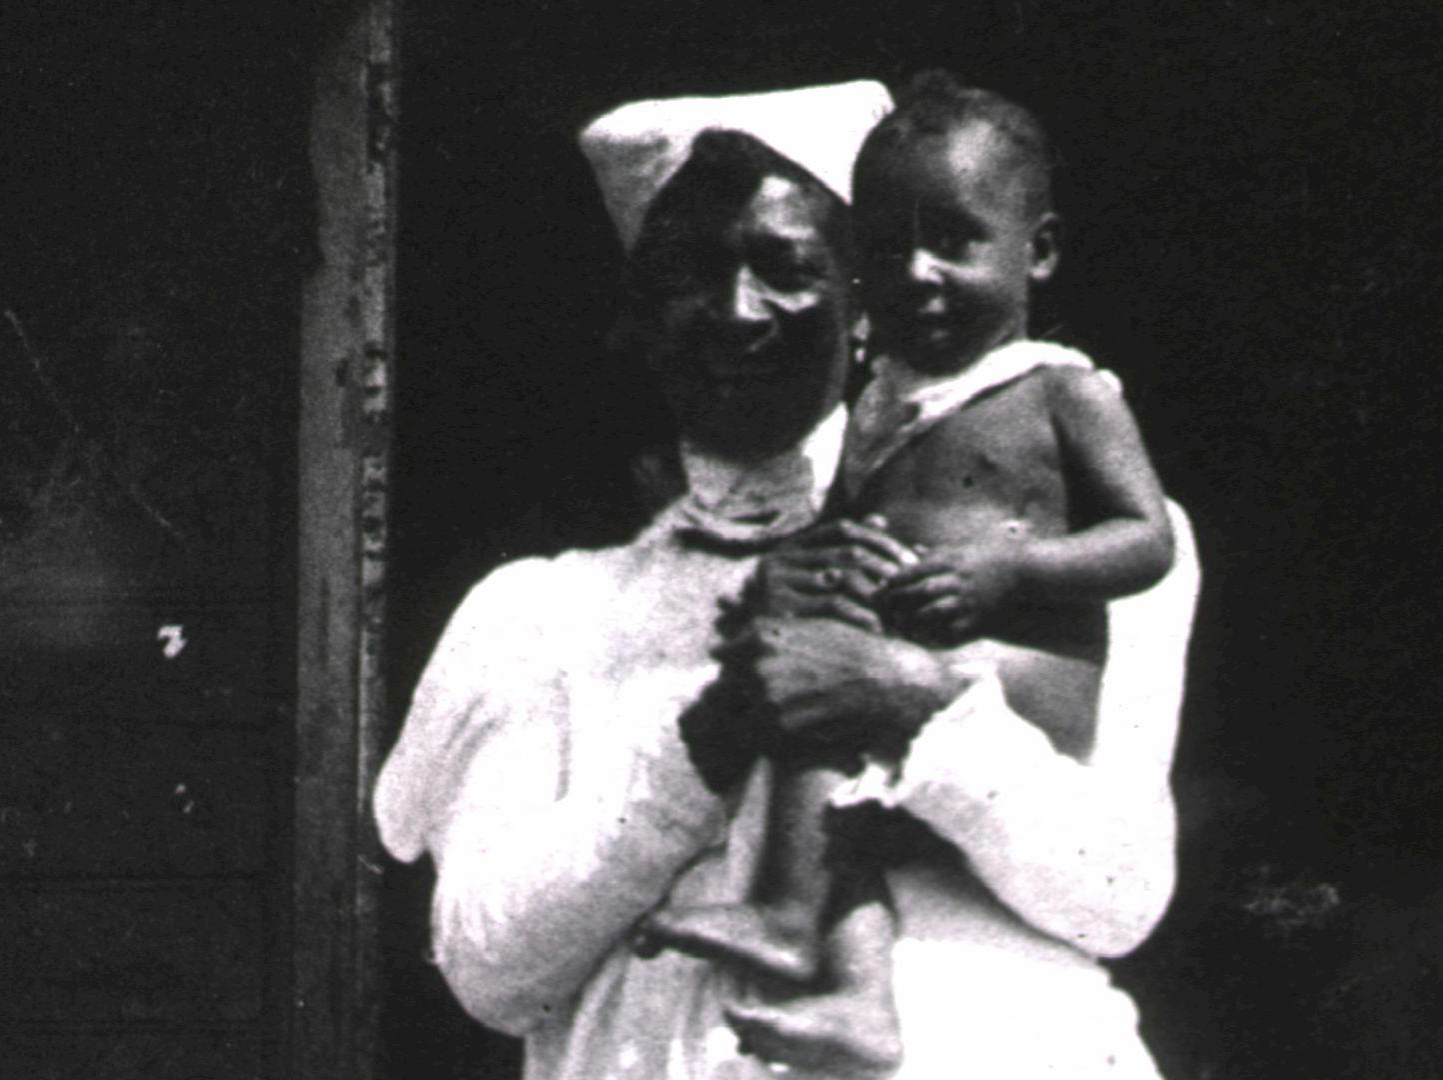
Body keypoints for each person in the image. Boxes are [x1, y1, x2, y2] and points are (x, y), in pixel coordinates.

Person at [373, 79, 1201, 1080]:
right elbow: (491, 971)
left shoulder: (1061, 537)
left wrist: (914, 701)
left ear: (865, 303)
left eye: (786, 266)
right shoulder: (541, 616)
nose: (735, 311)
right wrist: (711, 731)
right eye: (687, 274)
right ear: (634, 318)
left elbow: (1116, 894)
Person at [639, 71, 1178, 1076]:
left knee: (839, 710)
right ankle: (840, 972)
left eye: (958, 241)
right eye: (888, 249)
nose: (920, 273)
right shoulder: (886, 401)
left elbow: (1147, 540)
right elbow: (846, 536)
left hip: (1023, 672)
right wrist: (803, 585)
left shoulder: (1062, 390)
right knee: (821, 723)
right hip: (917, 648)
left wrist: (1010, 571)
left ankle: (799, 921)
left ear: (1040, 252)